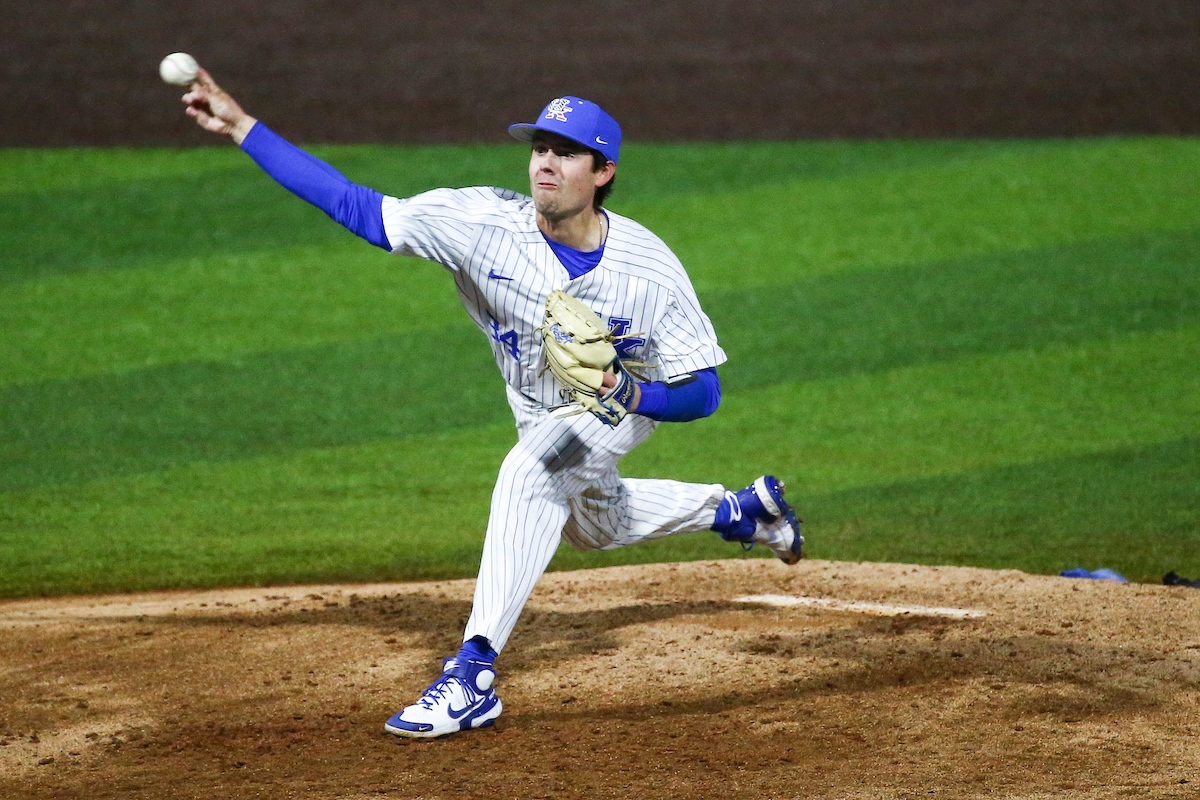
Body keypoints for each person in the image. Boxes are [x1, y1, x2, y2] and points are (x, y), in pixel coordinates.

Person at [180, 67, 804, 739]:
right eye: (539, 148)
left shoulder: (648, 272)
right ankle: (739, 511)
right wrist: (243, 126)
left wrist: (631, 392)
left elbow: (704, 392)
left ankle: (472, 674)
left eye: (565, 152)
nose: (545, 163)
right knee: (592, 526)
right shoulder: (480, 223)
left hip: (613, 410)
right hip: (540, 410)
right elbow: (356, 206)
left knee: (531, 471)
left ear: (602, 172)